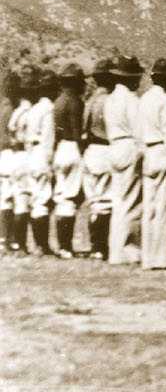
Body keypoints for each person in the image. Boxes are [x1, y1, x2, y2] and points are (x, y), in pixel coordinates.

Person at [138, 58, 166, 270]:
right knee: (163, 206)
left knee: (150, 207)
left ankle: (148, 257)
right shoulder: (165, 100)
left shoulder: (144, 99)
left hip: (148, 152)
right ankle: (162, 257)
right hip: (163, 152)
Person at [105, 56, 144, 264]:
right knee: (132, 201)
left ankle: (116, 249)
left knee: (119, 200)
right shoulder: (132, 100)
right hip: (129, 146)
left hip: (114, 146)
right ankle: (128, 250)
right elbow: (139, 130)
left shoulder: (110, 99)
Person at [50, 63, 87, 258]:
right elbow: (76, 131)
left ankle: (62, 245)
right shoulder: (75, 102)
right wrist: (82, 152)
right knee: (70, 198)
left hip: (61, 149)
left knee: (62, 197)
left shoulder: (58, 101)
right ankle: (66, 246)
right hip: (72, 147)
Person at [81, 59, 116, 259]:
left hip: (91, 151)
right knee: (106, 200)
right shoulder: (109, 101)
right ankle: (101, 246)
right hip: (105, 148)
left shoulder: (90, 100)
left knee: (95, 200)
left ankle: (96, 245)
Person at [21, 68, 57, 255]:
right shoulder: (49, 109)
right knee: (42, 199)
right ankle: (43, 245)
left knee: (35, 199)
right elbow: (49, 138)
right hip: (42, 153)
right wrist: (49, 162)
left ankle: (38, 244)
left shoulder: (34, 109)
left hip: (31, 153)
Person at [0, 70, 21, 252]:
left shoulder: (3, 107)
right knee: (8, 198)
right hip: (8, 153)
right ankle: (6, 237)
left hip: (4, 154)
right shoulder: (9, 109)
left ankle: (6, 237)